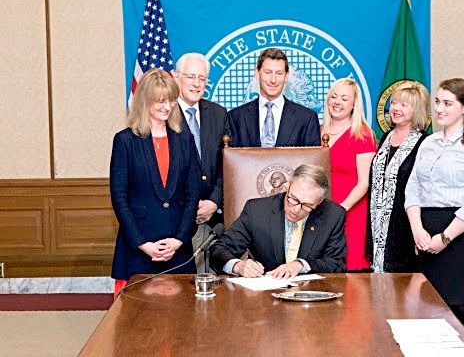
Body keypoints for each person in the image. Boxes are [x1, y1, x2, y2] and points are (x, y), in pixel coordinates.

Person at [405, 78, 464, 348]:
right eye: (437, 102)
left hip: (463, 234)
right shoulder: (428, 143)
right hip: (426, 230)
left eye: (448, 103)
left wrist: (444, 238)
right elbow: (412, 190)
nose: (439, 109)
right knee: (430, 306)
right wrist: (418, 229)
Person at [110, 68, 200, 296]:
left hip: (177, 249)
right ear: (144, 101)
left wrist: (180, 239)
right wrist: (142, 243)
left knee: (182, 321)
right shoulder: (125, 141)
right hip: (139, 250)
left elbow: (192, 193)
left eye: (171, 100)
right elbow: (119, 197)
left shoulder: (184, 139)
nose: (167, 107)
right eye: (159, 101)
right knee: (136, 323)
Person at [209, 164, 347, 278]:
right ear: (287, 186)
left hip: (311, 298)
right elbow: (218, 250)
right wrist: (238, 266)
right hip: (264, 299)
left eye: (307, 205)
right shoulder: (257, 210)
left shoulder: (333, 215)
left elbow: (336, 264)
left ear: (319, 202)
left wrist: (301, 265)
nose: (297, 209)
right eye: (293, 199)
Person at [173, 52, 230, 272]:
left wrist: (214, 201)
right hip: (179, 221)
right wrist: (191, 206)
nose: (197, 84)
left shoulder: (218, 114)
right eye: (191, 77)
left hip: (216, 218)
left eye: (202, 78)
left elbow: (229, 165)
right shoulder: (164, 113)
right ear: (177, 77)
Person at [367, 81, 430, 273]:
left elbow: (425, 190)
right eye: (394, 103)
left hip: (405, 230)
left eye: (404, 105)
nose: (395, 108)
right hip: (378, 226)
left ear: (417, 110)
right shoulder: (386, 137)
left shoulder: (424, 143)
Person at [320, 78, 376, 271]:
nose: (337, 102)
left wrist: (340, 210)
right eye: (334, 97)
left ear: (354, 104)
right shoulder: (318, 131)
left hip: (350, 212)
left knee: (350, 273)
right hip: (320, 211)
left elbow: (364, 183)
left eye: (344, 98)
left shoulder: (362, 134)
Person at [228, 47, 321, 147]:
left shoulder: (307, 118)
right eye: (268, 72)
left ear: (286, 76)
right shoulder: (236, 117)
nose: (273, 80)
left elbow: (312, 160)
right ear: (257, 73)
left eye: (279, 73)